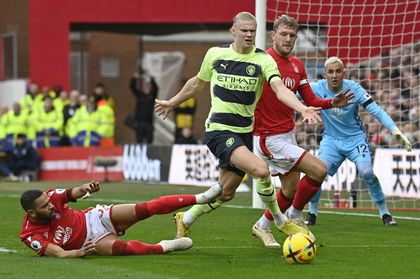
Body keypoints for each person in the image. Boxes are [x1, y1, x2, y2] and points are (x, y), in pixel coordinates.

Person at [155, 12, 323, 240]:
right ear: (233, 31)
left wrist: (302, 108)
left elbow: (281, 89)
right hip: (218, 129)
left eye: (253, 31)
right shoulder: (215, 54)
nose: (249, 34)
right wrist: (172, 102)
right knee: (261, 171)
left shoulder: (264, 60)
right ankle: (280, 222)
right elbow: (196, 83)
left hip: (243, 133)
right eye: (244, 30)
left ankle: (186, 218)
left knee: (226, 192)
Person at [251, 15, 355, 247]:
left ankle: (262, 226)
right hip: (268, 137)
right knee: (319, 169)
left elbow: (310, 99)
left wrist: (331, 103)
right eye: (283, 34)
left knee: (289, 191)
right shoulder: (261, 60)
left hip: (287, 135)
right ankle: (296, 216)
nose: (288, 39)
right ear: (273, 35)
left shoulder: (298, 65)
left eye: (292, 36)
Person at [304, 56, 412, 227]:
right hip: (331, 140)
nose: (334, 75)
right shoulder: (316, 88)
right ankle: (312, 213)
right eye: (330, 72)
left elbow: (376, 110)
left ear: (343, 73)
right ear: (324, 74)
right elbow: (287, 91)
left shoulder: (354, 88)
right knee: (316, 172)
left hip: (356, 140)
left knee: (367, 172)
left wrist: (394, 129)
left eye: (338, 71)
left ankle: (385, 213)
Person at [19, 181, 223, 257]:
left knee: (145, 208)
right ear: (32, 214)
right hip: (88, 242)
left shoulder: (52, 196)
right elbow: (59, 253)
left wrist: (87, 188)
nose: (51, 205)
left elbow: (75, 191)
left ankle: (200, 197)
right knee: (122, 249)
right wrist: (80, 252)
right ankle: (165, 246)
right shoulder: (30, 235)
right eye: (45, 206)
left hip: (93, 218)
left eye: (49, 201)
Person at [130, 70, 158, 144]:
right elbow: (132, 87)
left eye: (149, 85)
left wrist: (151, 77)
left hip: (149, 122)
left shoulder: (152, 96)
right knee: (139, 140)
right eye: (146, 85)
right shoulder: (140, 95)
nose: (147, 87)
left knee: (149, 140)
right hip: (140, 122)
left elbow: (156, 88)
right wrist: (134, 78)